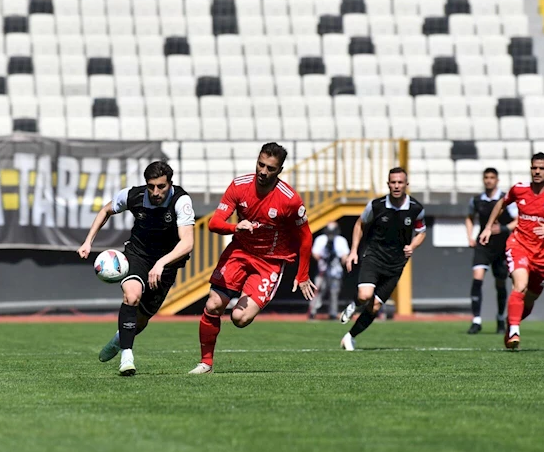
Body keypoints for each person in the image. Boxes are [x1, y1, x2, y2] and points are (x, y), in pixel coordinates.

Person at [188, 142, 315, 375]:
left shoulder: (290, 200)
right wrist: (236, 227)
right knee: (214, 304)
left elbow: (305, 236)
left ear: (280, 170)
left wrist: (303, 273)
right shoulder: (239, 186)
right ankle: (206, 363)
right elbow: (215, 223)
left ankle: (251, 295)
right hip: (240, 252)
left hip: (269, 261)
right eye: (261, 164)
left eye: (270, 168)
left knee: (239, 318)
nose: (263, 171)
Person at [78, 160, 195, 376]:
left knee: (141, 320)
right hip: (137, 255)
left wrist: (161, 263)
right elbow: (106, 210)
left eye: (161, 186)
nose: (155, 192)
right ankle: (126, 357)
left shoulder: (181, 200)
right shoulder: (133, 195)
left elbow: (187, 242)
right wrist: (88, 241)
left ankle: (118, 339)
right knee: (131, 297)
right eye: (151, 186)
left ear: (170, 184)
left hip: (166, 264)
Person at [479, 153, 544, 350]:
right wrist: (488, 227)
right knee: (520, 286)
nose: (537, 172)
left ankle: (511, 322)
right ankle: (515, 329)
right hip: (518, 245)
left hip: (543, 255)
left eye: (541, 168)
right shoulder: (520, 189)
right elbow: (501, 203)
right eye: (534, 168)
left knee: (529, 299)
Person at [339, 167, 426, 351]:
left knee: (375, 306)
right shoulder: (376, 206)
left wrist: (413, 246)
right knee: (365, 296)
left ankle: (350, 336)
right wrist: (353, 251)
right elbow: (359, 224)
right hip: (374, 257)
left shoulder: (416, 209)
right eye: (393, 182)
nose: (396, 186)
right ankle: (355, 303)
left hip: (396, 264)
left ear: (406, 184)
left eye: (400, 182)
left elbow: (421, 232)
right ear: (388, 184)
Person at [464, 168, 518, 334]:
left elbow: (518, 220)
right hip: (483, 244)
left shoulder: (506, 199)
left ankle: (501, 318)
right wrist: (470, 237)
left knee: (500, 283)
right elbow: (469, 217)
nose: (489, 180)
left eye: (492, 177)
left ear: (497, 180)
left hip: (502, 246)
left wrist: (502, 228)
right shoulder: (476, 200)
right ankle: (476, 320)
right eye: (486, 177)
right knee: (477, 277)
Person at [308, 222, 350, 320]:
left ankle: (333, 313)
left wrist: (340, 260)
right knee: (319, 291)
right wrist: (323, 258)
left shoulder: (341, 240)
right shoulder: (321, 239)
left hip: (336, 272)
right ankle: (312, 311)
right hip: (322, 270)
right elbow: (315, 253)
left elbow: (345, 255)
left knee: (334, 292)